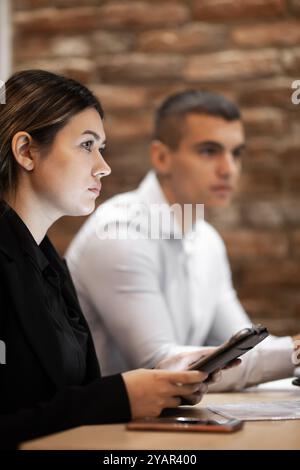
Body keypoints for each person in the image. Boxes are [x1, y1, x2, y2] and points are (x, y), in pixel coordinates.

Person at [0, 73, 212, 450]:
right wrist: (122, 397)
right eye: (86, 145)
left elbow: (66, 398)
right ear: (26, 151)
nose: (103, 166)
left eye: (101, 147)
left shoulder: (48, 263)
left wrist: (153, 389)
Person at [66, 90, 299, 390]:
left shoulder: (207, 241)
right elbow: (160, 366)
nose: (228, 169)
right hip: (101, 431)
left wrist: (292, 357)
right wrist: (294, 353)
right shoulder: (118, 234)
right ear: (161, 157)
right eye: (209, 151)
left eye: (236, 153)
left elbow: (243, 347)